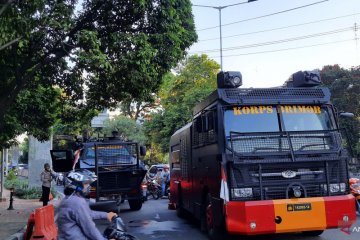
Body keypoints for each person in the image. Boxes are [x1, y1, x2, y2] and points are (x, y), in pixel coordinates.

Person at [57, 169, 118, 240]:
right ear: (77, 185)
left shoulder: (69, 199)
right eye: (86, 183)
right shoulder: (77, 202)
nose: (89, 186)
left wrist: (106, 215)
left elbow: (87, 214)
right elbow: (89, 228)